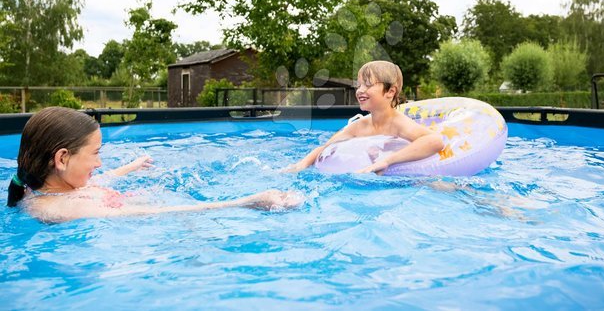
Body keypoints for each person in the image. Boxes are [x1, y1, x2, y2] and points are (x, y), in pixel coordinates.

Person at [7, 107, 301, 222]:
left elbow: (103, 178)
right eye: (95, 153)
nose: (99, 162)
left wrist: (131, 167)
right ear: (61, 158)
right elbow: (157, 211)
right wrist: (246, 202)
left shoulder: (55, 189)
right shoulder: (61, 208)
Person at [284, 60, 445, 174]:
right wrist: (302, 164)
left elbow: (435, 141)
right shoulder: (359, 126)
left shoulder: (399, 124)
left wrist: (388, 160)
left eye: (368, 84)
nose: (360, 90)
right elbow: (325, 147)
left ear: (390, 92)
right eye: (359, 85)